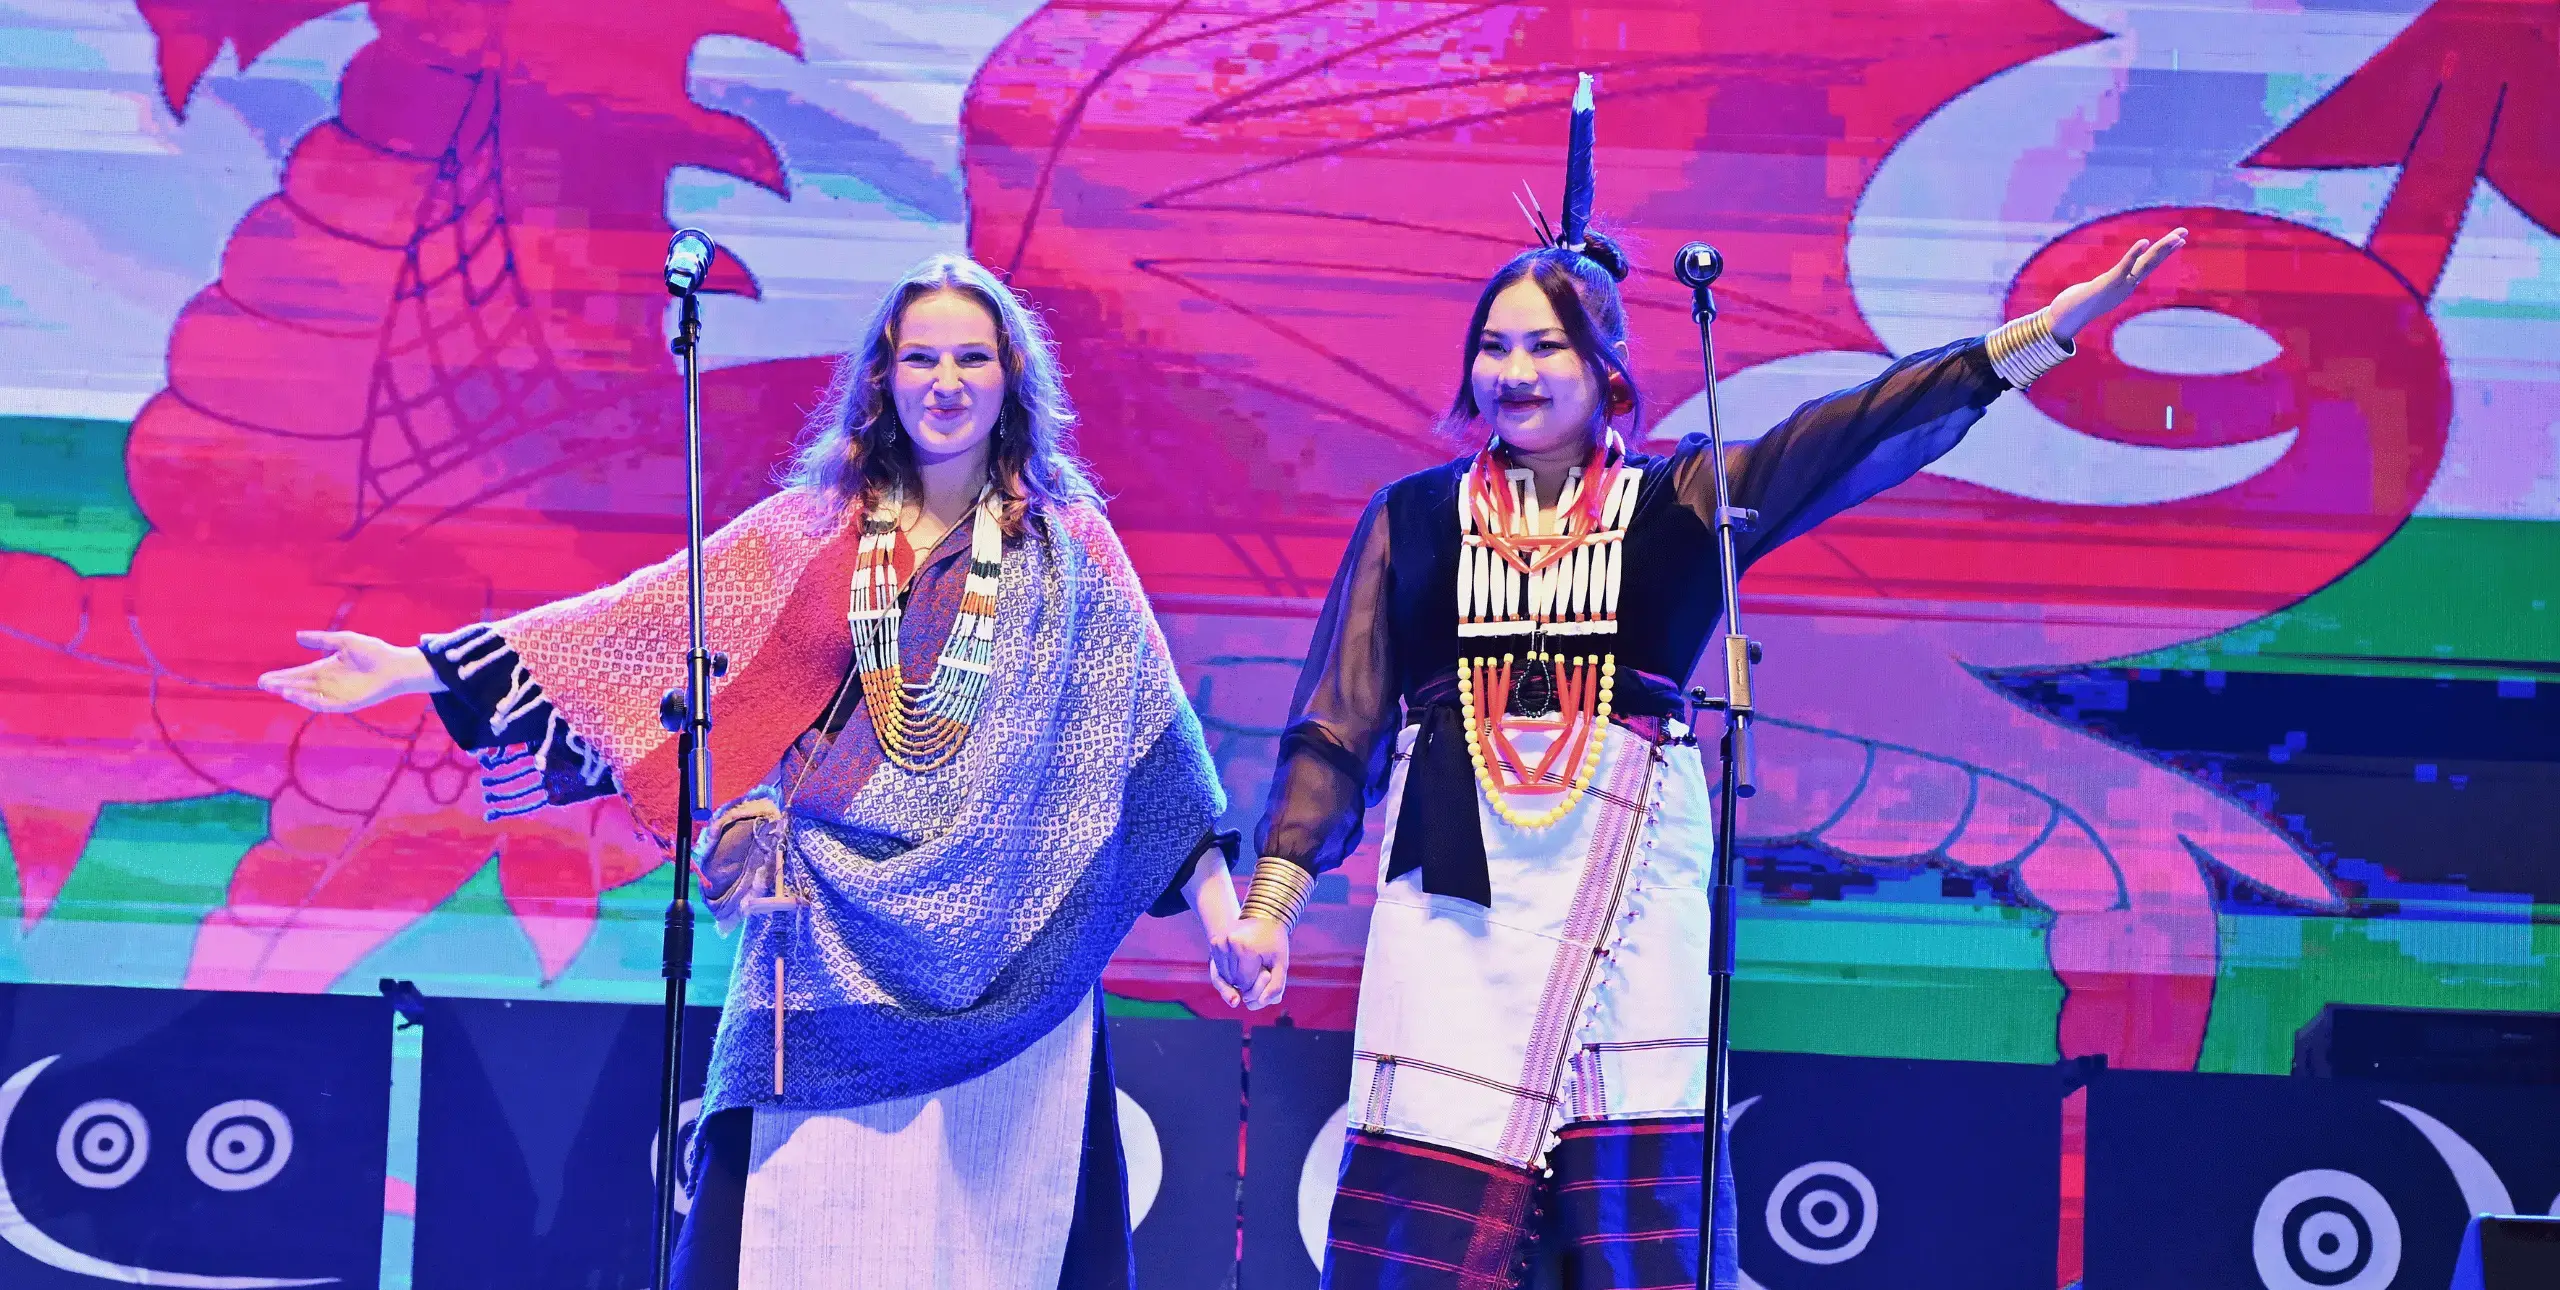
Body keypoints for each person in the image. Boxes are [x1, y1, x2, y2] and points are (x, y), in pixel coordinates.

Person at [1207, 85, 2188, 1290]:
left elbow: (1847, 430)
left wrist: (2033, 336)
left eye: (1546, 343)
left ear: (1607, 367)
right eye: (1494, 345)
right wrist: (1271, 906)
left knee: (1629, 1195)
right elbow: (1337, 719)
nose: (1514, 370)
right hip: (1455, 894)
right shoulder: (1414, 519)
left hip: (1633, 892)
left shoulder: (1681, 505)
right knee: (1441, 1186)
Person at [259, 254, 1241, 1289]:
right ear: (884, 380)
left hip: (1012, 963)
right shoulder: (810, 535)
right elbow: (631, 630)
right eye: (921, 359)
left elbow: (1157, 764)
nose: (945, 382)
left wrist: (1229, 924)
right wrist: (416, 669)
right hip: (816, 945)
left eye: (970, 358)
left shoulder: (1070, 551)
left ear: (1009, 381)